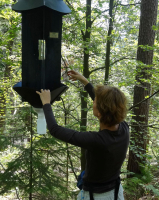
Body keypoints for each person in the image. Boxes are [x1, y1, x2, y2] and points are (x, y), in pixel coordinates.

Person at [36, 70, 129, 200]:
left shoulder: (97, 140)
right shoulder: (124, 127)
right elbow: (107, 105)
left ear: (100, 113)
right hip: (116, 191)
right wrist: (84, 81)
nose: (93, 102)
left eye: (95, 101)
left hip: (96, 196)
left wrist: (46, 103)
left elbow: (55, 129)